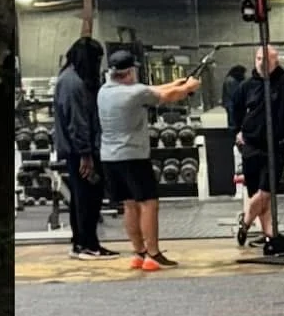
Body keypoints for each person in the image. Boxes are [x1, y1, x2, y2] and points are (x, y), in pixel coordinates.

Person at [96, 48, 203, 270]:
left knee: (129, 204)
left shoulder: (104, 91)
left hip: (110, 157)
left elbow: (151, 90)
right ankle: (153, 254)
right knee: (149, 204)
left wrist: (176, 82)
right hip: (133, 156)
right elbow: (166, 97)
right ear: (128, 72)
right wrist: (188, 88)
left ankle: (139, 252)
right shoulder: (134, 93)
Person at [232, 43, 284, 247]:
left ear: (276, 61)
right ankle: (269, 235)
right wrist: (237, 131)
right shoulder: (246, 86)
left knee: (265, 191)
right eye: (259, 59)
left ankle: (244, 222)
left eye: (267, 59)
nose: (262, 63)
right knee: (259, 195)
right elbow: (234, 110)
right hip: (252, 146)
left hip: (276, 146)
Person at [51, 35, 114, 258]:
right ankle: (85, 244)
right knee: (87, 196)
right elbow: (77, 122)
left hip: (80, 148)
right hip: (80, 150)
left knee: (84, 196)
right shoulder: (72, 84)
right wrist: (85, 155)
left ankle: (86, 242)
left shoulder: (71, 79)